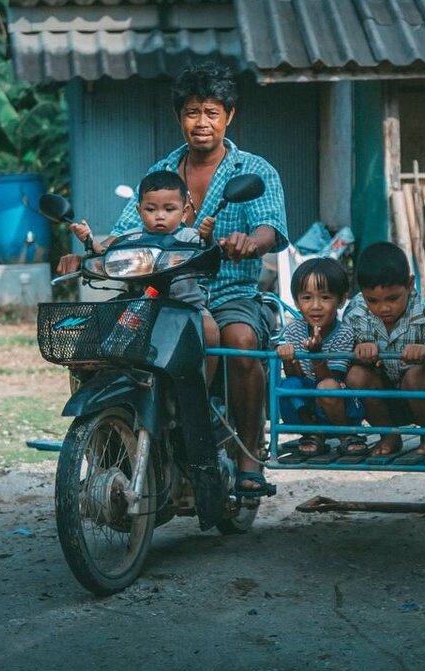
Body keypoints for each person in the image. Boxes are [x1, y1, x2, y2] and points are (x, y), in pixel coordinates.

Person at [58, 61, 288, 495]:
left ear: (229, 116)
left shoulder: (253, 171)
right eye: (192, 112)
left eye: (212, 113)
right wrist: (87, 253)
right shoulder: (162, 170)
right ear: (179, 116)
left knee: (239, 341)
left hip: (227, 292)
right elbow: (127, 230)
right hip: (159, 291)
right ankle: (113, 444)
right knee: (93, 342)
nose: (201, 123)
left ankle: (248, 458)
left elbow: (271, 228)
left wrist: (249, 242)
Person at [69, 170, 220, 379]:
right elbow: (106, 254)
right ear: (139, 211)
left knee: (210, 329)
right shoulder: (133, 237)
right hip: (140, 306)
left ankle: (204, 386)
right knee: (107, 336)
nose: (160, 215)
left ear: (185, 212)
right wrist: (89, 240)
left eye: (169, 209)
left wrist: (208, 236)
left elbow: (210, 251)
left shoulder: (191, 236)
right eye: (151, 209)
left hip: (187, 308)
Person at [344, 242, 425, 458]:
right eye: (373, 300)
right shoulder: (356, 312)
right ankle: (389, 435)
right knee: (356, 375)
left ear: (410, 284)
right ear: (362, 292)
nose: (384, 308)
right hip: (385, 402)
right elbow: (342, 357)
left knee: (416, 376)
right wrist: (359, 355)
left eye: (393, 298)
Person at [274, 258, 365, 456]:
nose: (316, 306)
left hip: (338, 407)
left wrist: (317, 356)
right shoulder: (294, 330)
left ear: (341, 300)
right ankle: (313, 433)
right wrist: (288, 360)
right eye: (307, 298)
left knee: (327, 388)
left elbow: (331, 379)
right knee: (287, 384)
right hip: (309, 407)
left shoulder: (345, 333)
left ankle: (346, 434)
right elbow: (295, 376)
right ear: (297, 302)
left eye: (325, 297)